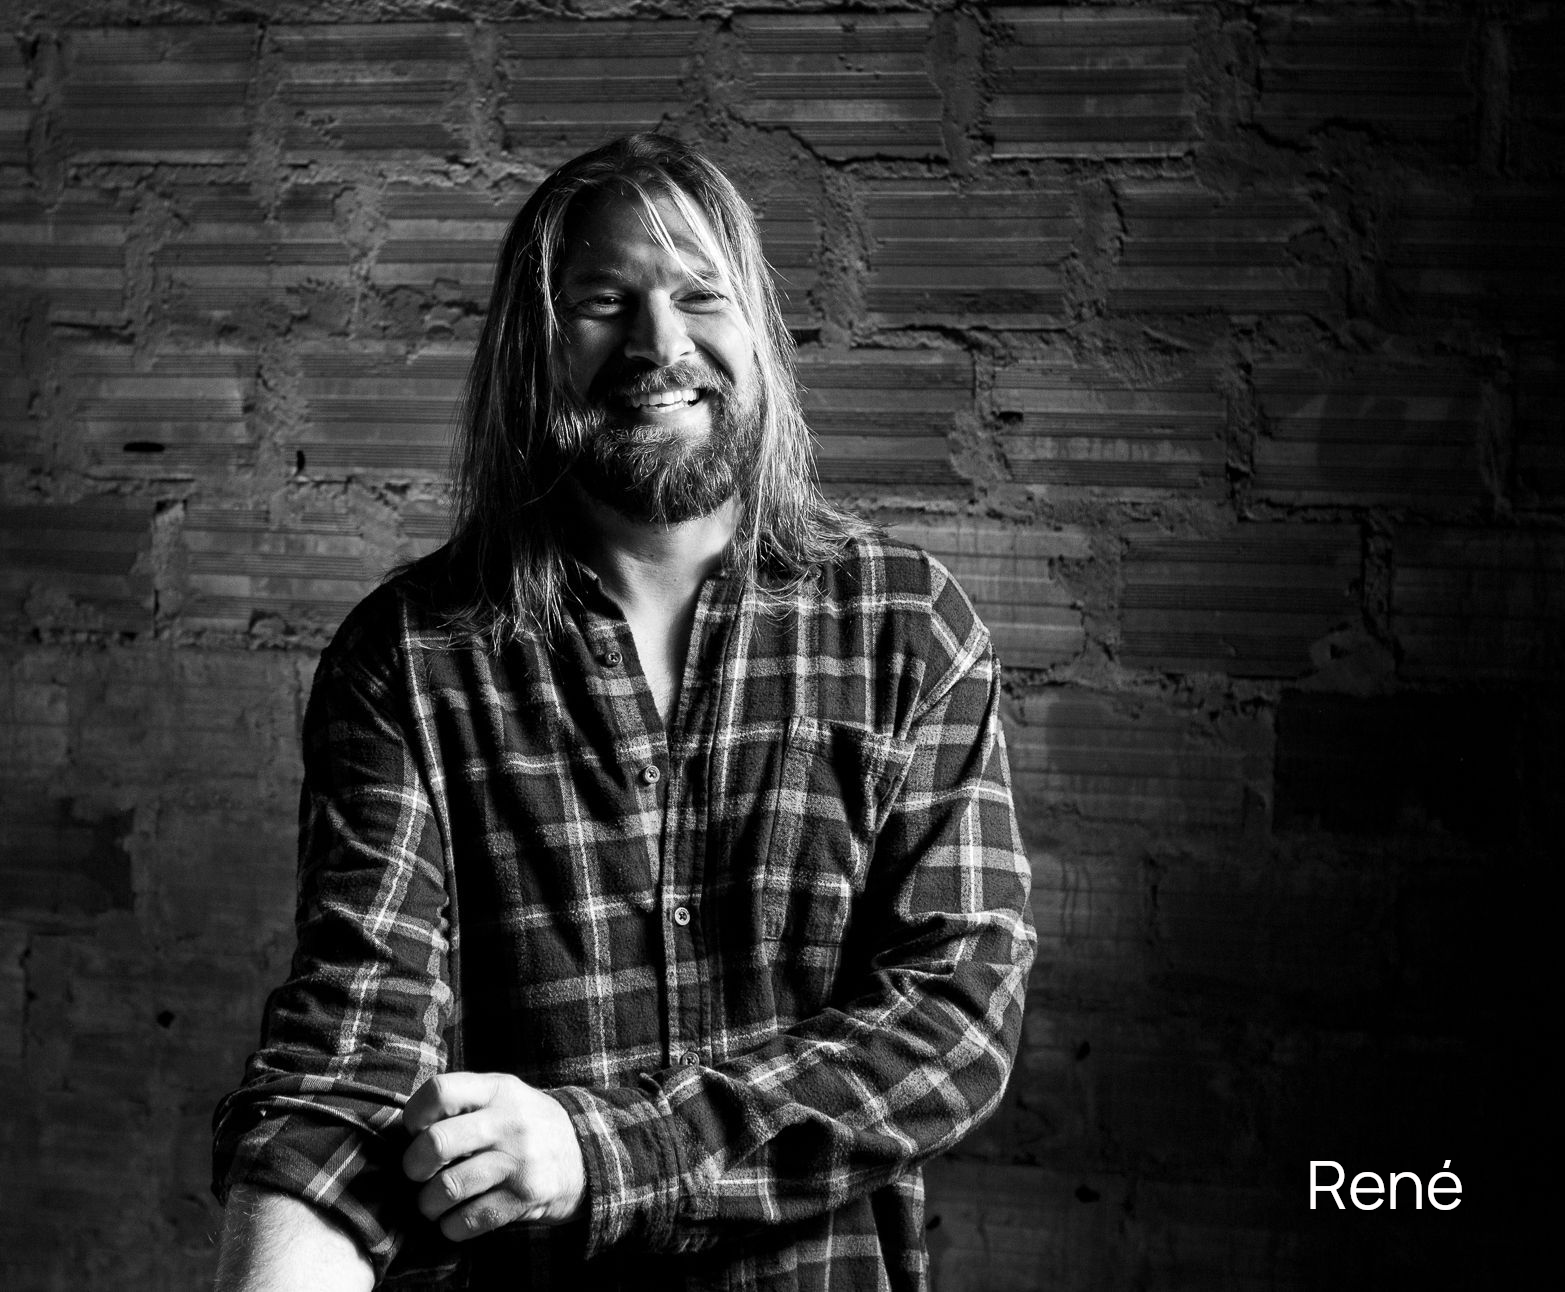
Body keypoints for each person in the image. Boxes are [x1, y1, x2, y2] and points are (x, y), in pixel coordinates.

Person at [211, 132, 1034, 1292]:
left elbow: (952, 1014)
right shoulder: (406, 660)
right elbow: (349, 1054)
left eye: (699, 294)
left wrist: (599, 1152)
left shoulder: (907, 628)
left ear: (758, 333)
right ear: (532, 352)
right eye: (602, 303)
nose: (659, 345)